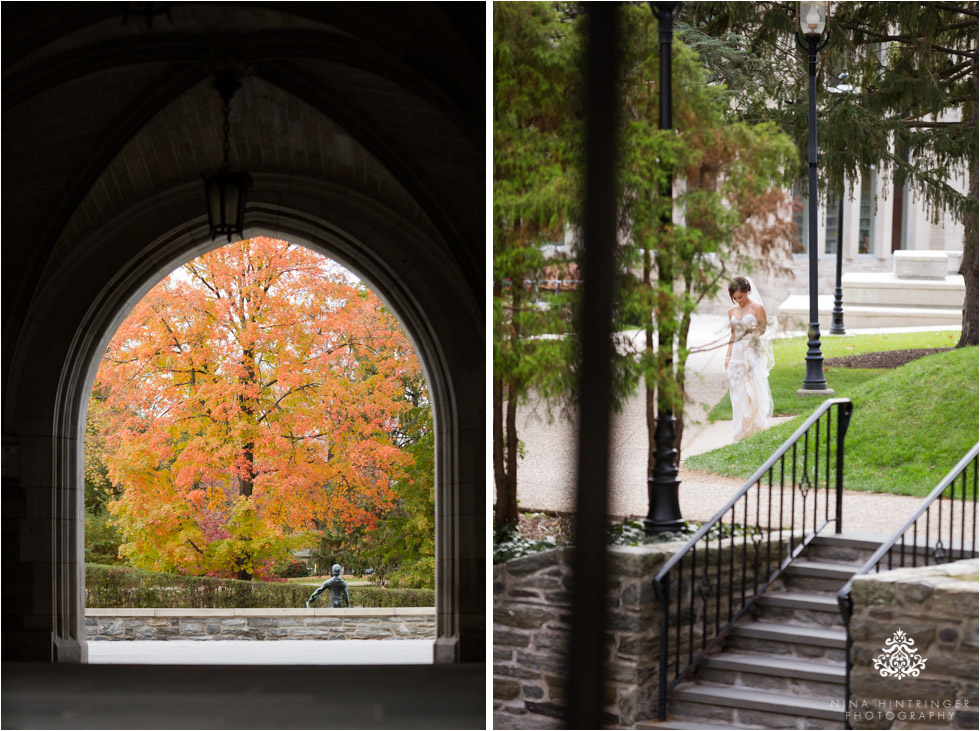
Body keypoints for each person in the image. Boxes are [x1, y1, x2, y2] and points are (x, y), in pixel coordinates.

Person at [724, 276, 775, 441]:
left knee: (752, 391)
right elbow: (732, 335)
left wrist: (754, 330)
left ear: (747, 292)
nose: (739, 300)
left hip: (751, 353)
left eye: (741, 296)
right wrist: (728, 355)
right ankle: (739, 431)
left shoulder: (757, 307)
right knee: (738, 394)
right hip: (737, 356)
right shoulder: (731, 310)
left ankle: (754, 428)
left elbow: (763, 330)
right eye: (735, 298)